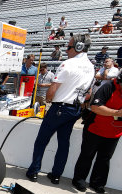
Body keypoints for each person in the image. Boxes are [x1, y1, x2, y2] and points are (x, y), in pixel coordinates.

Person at [25, 33, 95, 183]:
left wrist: (49, 100)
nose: (67, 50)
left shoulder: (67, 64)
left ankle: (34, 171)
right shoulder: (91, 67)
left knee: (41, 141)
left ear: (78, 47)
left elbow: (52, 90)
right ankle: (56, 175)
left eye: (68, 47)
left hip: (59, 108)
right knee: (64, 143)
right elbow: (88, 94)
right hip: (75, 110)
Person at [72, 61, 122, 193]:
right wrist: (116, 113)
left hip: (115, 132)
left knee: (105, 158)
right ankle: (79, 180)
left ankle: (98, 183)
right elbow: (95, 107)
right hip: (95, 129)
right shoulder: (108, 88)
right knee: (87, 155)